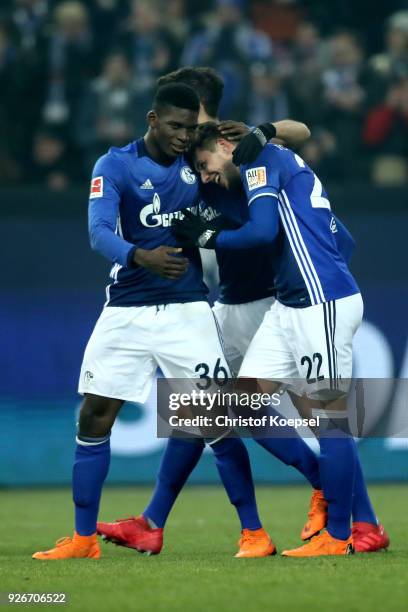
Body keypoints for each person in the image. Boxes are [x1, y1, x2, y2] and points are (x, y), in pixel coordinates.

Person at [97, 67, 388, 556]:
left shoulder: (240, 148)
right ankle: (154, 520)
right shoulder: (187, 160)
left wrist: (266, 132)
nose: (184, 133)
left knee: (315, 412)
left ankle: (353, 520)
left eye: (192, 121)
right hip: (245, 298)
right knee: (217, 407)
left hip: (279, 296)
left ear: (209, 116)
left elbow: (296, 138)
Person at [32, 83, 274, 561]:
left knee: (217, 423)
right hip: (126, 309)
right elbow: (98, 231)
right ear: (152, 120)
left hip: (188, 311)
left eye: (190, 127)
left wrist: (255, 134)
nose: (184, 137)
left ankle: (254, 534)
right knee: (94, 415)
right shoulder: (115, 165)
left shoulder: (195, 163)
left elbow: (254, 160)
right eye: (175, 126)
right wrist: (138, 255)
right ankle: (83, 540)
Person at [175, 121, 389, 556]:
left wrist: (206, 236)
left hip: (319, 302)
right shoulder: (268, 155)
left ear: (223, 144)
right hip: (290, 305)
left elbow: (261, 232)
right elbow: (342, 240)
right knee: (240, 403)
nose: (204, 176)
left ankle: (339, 536)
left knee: (330, 421)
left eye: (204, 164)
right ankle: (322, 487)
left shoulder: (259, 160)